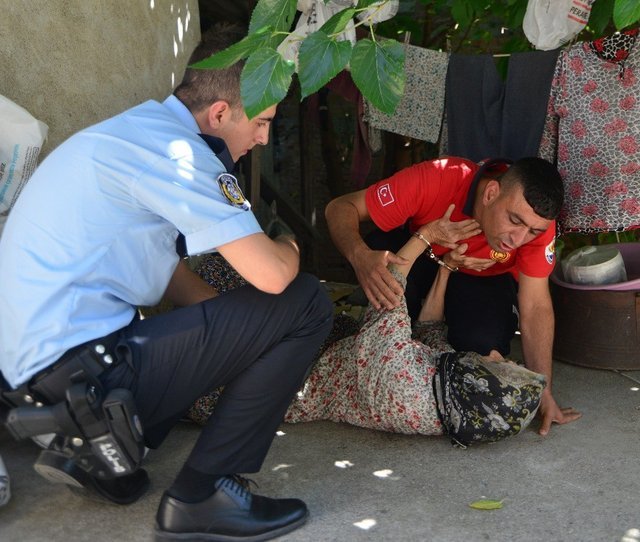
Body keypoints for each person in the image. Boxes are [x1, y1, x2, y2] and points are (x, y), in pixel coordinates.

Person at [0, 24, 333, 542]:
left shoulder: (133, 134)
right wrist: (291, 246)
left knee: (255, 315)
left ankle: (94, 454)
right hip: (83, 372)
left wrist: (244, 336)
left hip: (36, 384)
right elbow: (272, 276)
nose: (264, 138)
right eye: (263, 121)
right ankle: (203, 495)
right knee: (306, 300)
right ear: (219, 114)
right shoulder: (178, 153)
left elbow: (171, 278)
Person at [185, 220, 548, 446]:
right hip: (299, 354)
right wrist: (446, 268)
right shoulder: (450, 396)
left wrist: (426, 235)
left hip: (244, 383)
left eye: (502, 365)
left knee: (249, 271)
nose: (497, 354)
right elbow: (430, 330)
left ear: (481, 387)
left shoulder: (403, 382)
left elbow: (389, 288)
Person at [324, 156, 582, 436]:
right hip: (420, 255)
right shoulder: (437, 179)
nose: (517, 240)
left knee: (482, 351)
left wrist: (542, 389)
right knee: (389, 303)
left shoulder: (539, 224)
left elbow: (535, 304)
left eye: (532, 231)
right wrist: (360, 257)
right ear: (491, 193)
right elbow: (340, 207)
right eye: (514, 220)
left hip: (484, 277)